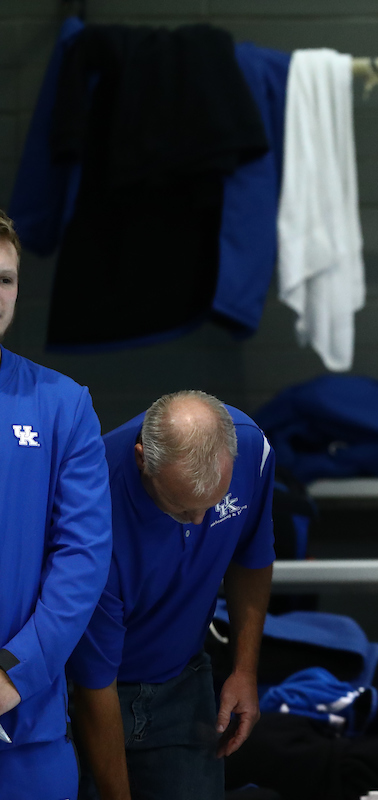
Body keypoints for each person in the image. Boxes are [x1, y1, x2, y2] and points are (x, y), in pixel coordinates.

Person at [68, 390, 276, 800]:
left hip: (186, 681)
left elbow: (252, 554)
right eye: (181, 510)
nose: (199, 521)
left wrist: (244, 669)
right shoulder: (91, 501)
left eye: (212, 507)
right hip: (94, 695)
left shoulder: (252, 447)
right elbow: (95, 683)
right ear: (143, 459)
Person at [0, 210, 112, 800]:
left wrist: (13, 674)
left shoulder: (62, 405)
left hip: (26, 728)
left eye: (5, 279)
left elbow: (83, 560)